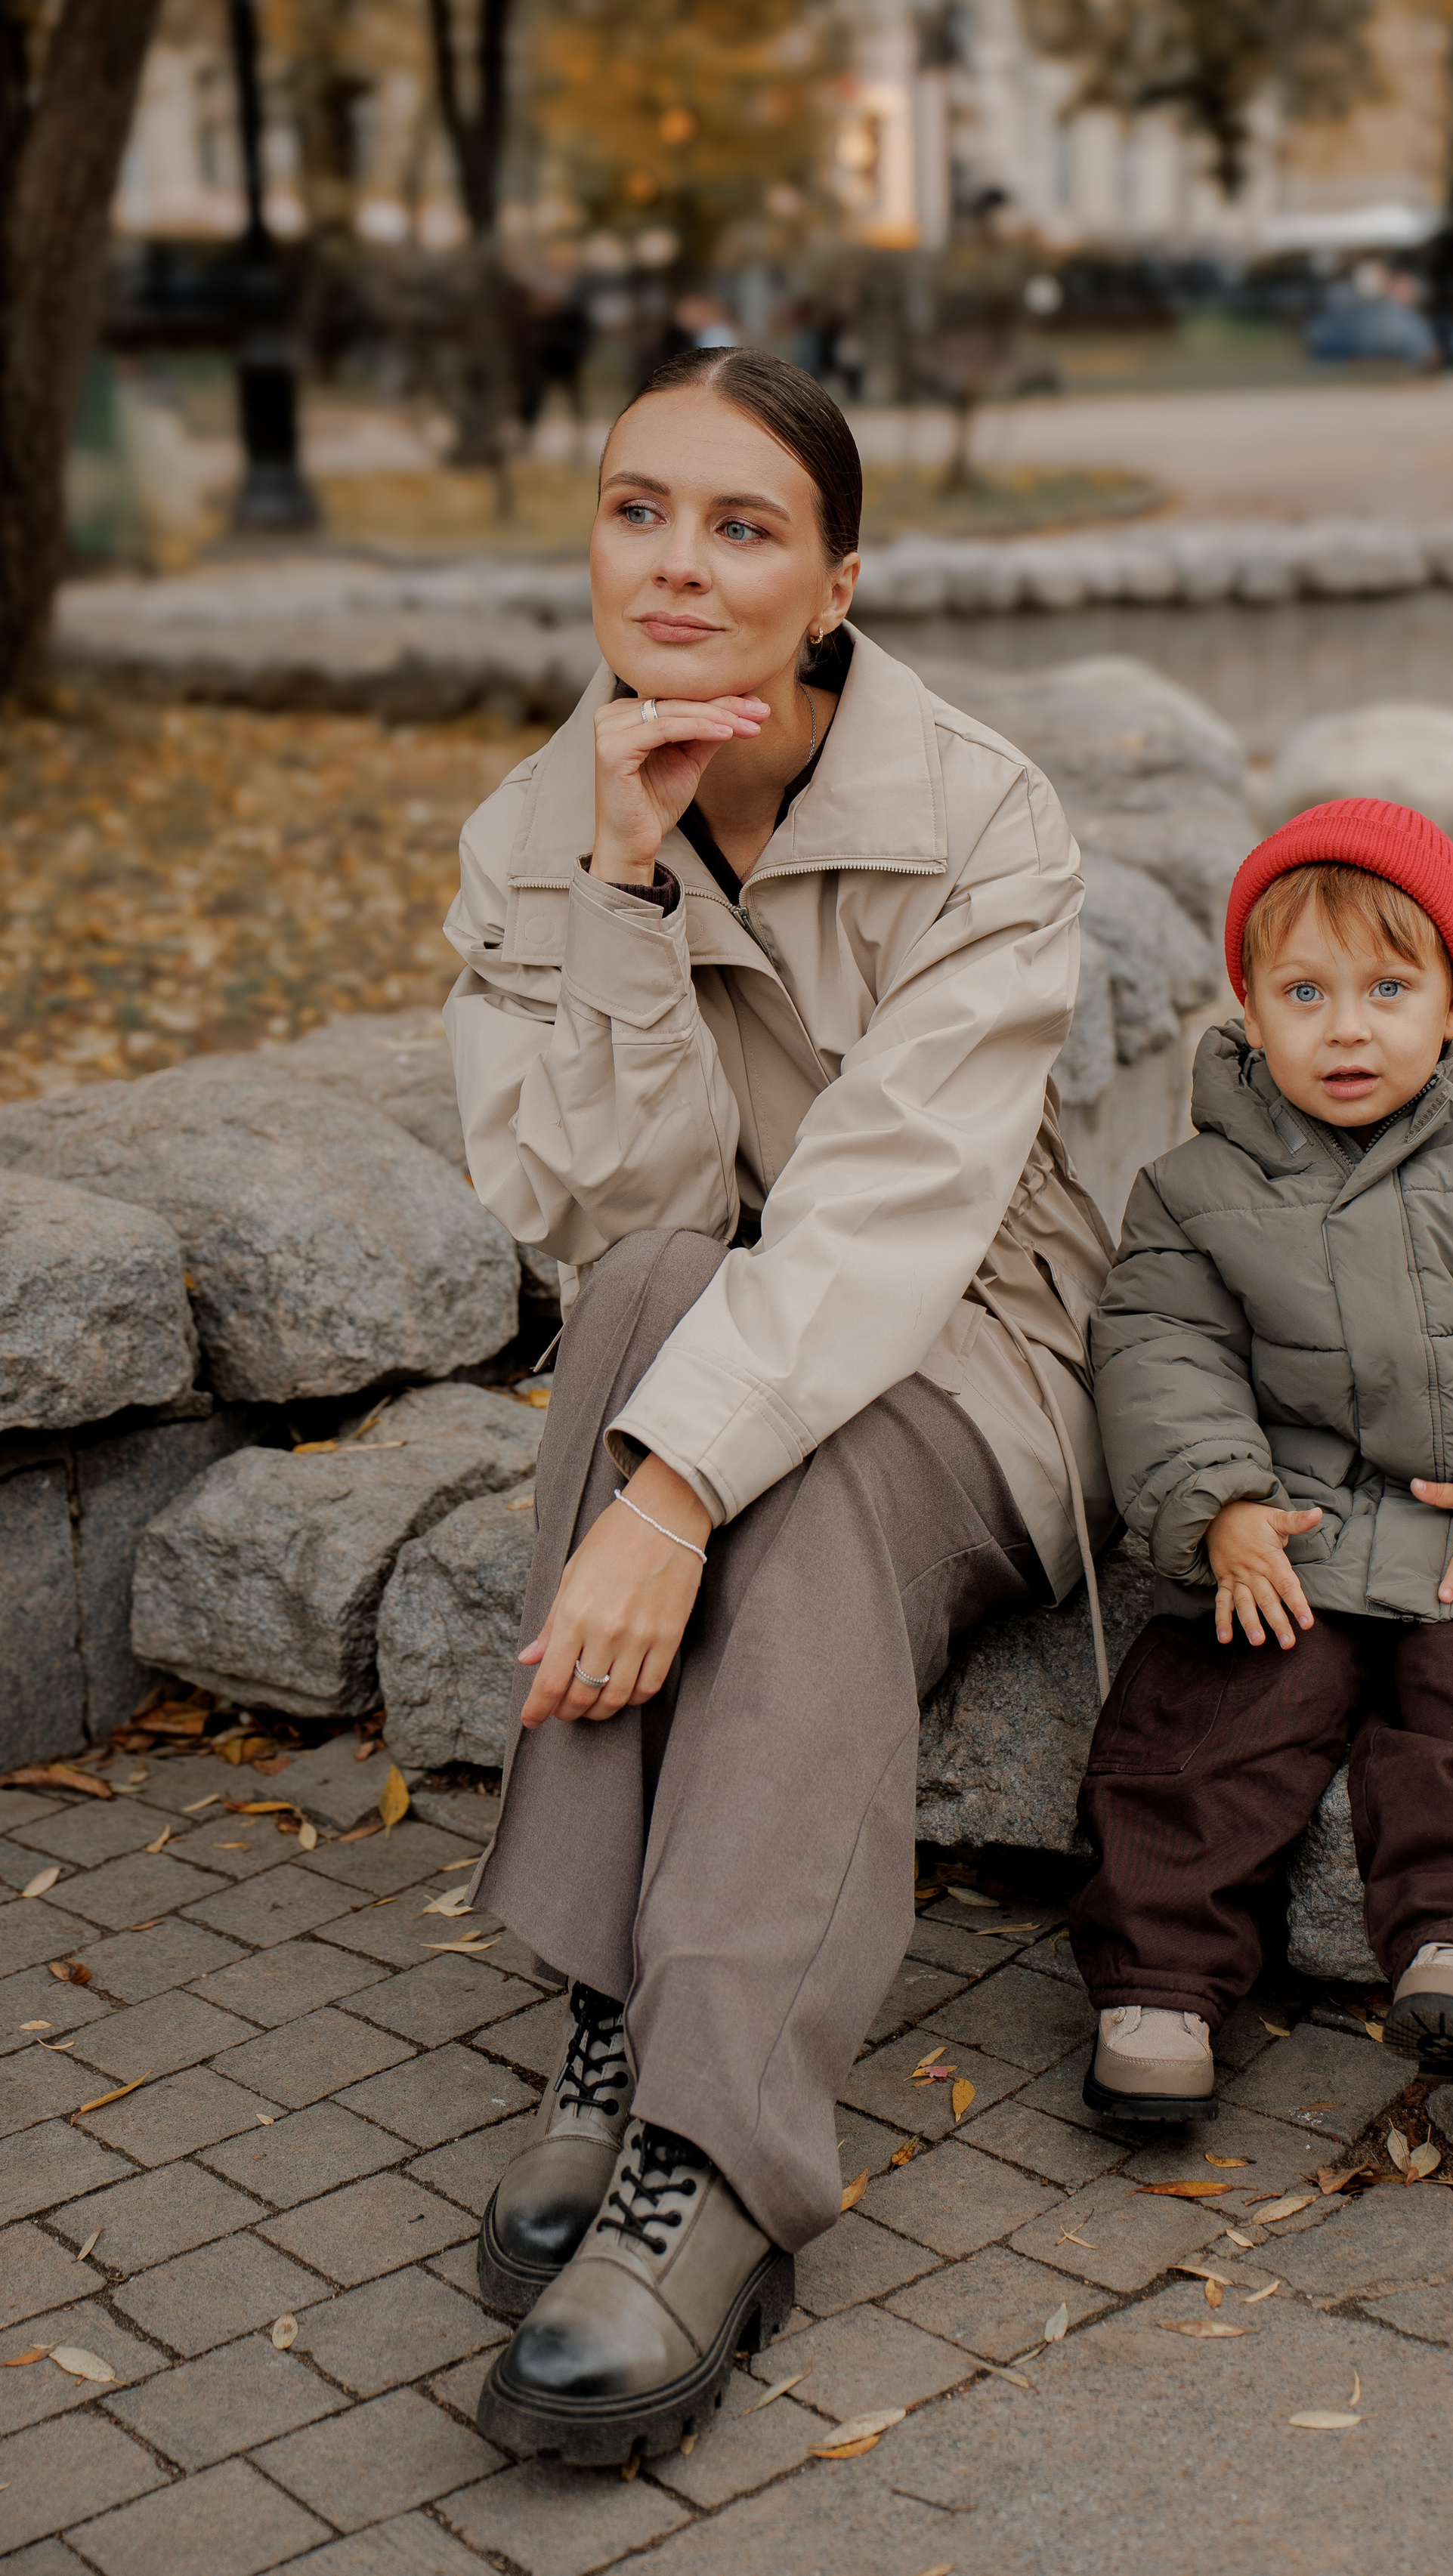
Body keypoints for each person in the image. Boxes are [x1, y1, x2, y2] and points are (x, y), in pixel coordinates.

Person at [441, 344, 1115, 2463]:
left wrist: (660, 1498)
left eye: (743, 527)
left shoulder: (986, 820)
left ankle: (714, 2147)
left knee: (796, 1499)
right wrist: (627, 887)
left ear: (837, 582)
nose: (676, 562)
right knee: (651, 1291)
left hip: (975, 1347)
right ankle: (617, 2011)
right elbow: (598, 1224)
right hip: (723, 1320)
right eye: (641, 507)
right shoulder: (525, 828)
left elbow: (893, 1224)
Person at [1066, 799, 1453, 2116]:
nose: (1347, 1026)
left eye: (1388, 986)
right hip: (1289, 1528)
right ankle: (1160, 1981)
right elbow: (1158, 1347)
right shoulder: (1191, 1188)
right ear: (1247, 1006)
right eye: (1304, 990)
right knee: (1206, 1720)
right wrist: (1216, 1501)